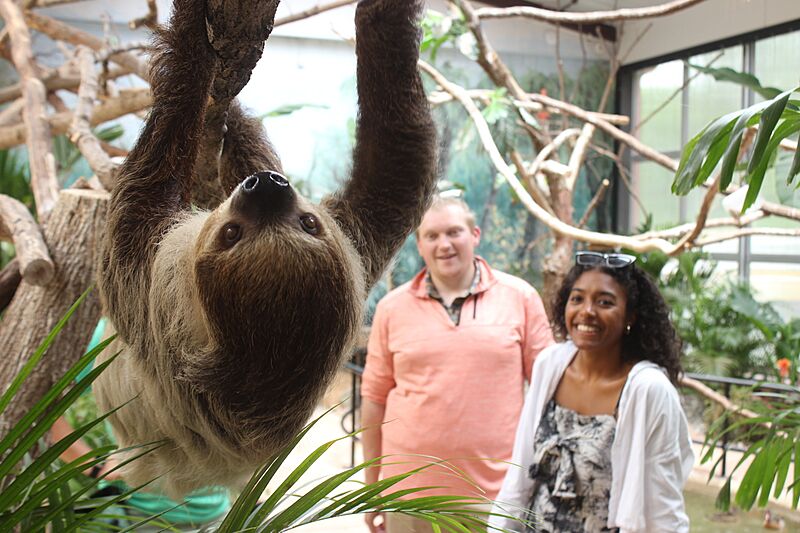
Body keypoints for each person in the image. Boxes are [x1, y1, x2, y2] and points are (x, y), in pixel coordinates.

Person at [360, 195, 554, 533]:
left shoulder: (520, 298)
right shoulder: (392, 309)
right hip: (408, 498)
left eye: (454, 232)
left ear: (475, 235)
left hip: (496, 496)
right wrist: (372, 487)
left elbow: (549, 391)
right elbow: (374, 401)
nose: (444, 245)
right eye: (432, 236)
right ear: (419, 245)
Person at [489, 251, 694, 533]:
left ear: (630, 316)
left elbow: (664, 507)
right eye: (577, 298)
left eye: (605, 302)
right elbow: (520, 474)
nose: (587, 311)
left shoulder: (649, 391)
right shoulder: (551, 365)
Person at [52, 319, 230, 530]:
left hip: (217, 512)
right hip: (141, 516)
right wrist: (97, 467)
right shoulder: (109, 336)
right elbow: (45, 414)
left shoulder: (214, 328)